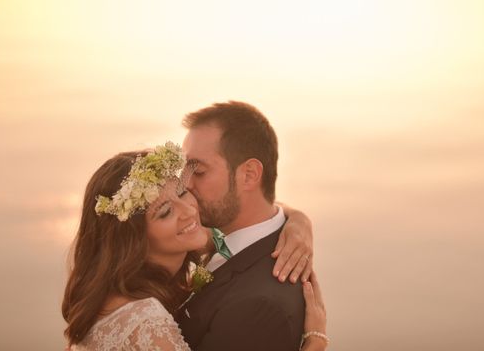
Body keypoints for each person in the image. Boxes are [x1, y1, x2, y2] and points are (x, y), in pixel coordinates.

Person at [62, 141, 328, 350]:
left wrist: (298, 220)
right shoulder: (146, 320)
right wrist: (315, 343)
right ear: (134, 240)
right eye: (165, 212)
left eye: (181, 192)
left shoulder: (115, 295)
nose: (188, 211)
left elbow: (254, 216)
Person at [177, 101, 329, 351]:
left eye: (199, 171)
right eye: (185, 168)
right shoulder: (218, 235)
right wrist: (298, 217)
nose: (185, 183)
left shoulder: (258, 306)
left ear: (249, 175)